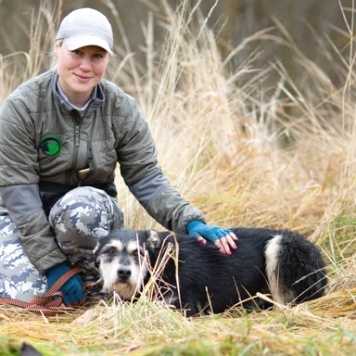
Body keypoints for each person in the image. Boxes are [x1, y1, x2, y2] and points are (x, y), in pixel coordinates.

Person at [0, 8, 238, 306]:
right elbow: (18, 196)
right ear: (58, 48)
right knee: (29, 299)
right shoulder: (22, 106)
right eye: (77, 53)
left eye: (97, 56)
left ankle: (93, 278)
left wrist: (189, 222)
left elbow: (147, 178)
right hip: (25, 212)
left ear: (108, 59)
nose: (86, 66)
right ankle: (78, 280)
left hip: (85, 213)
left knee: (82, 208)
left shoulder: (121, 108)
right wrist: (51, 264)